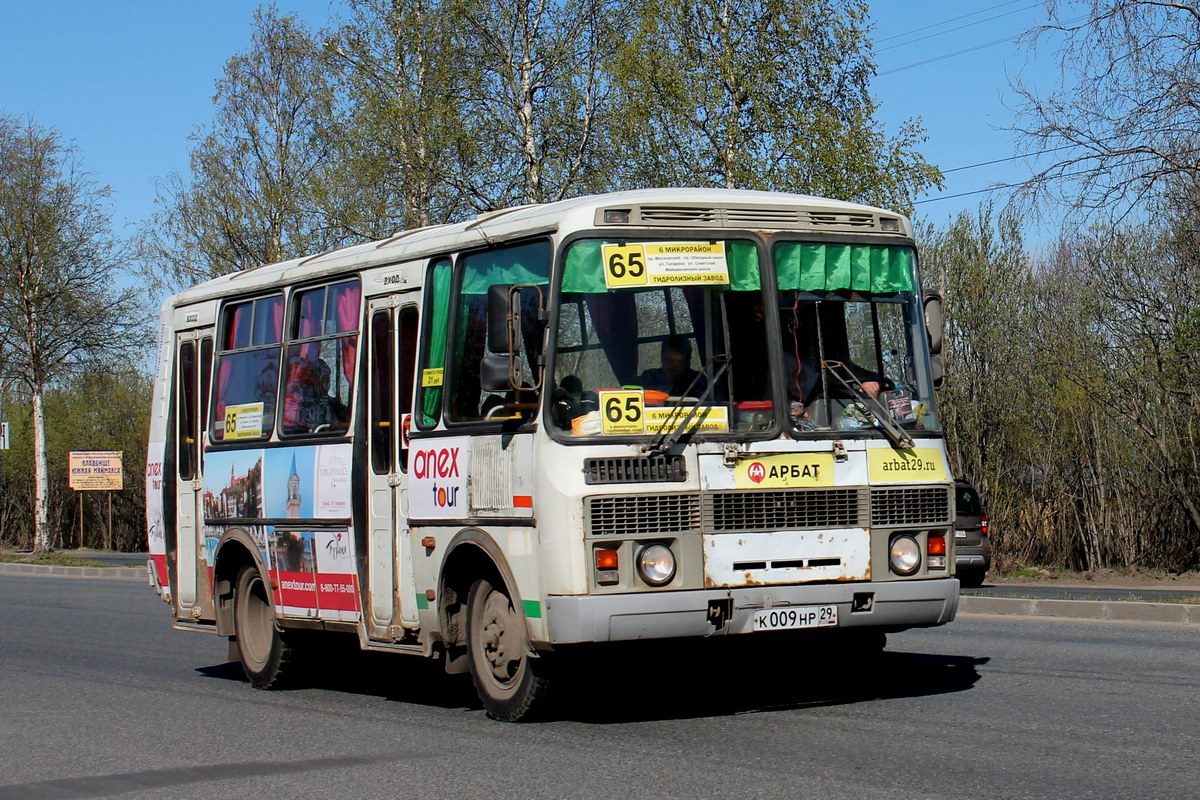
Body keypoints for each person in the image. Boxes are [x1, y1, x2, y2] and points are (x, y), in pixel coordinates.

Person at [638, 335, 705, 397]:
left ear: (687, 362)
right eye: (667, 358)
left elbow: (704, 405)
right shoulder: (649, 377)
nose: (671, 364)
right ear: (661, 358)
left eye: (677, 360)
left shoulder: (696, 380)